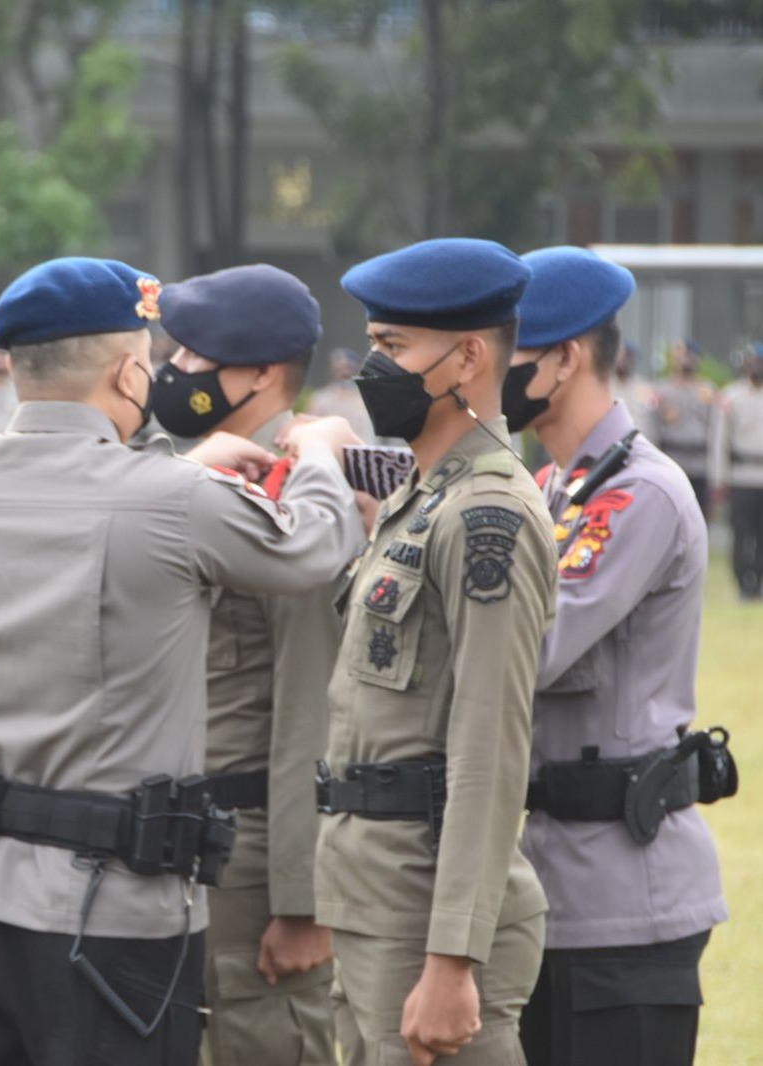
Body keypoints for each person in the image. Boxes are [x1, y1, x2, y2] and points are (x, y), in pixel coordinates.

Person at [0, 256, 366, 1066]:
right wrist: (322, 448)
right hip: (103, 907)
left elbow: (92, 518)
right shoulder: (170, 497)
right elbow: (315, 545)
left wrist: (186, 476)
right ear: (129, 371)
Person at [312, 238, 556, 1066]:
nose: (370, 370)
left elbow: (490, 747)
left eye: (393, 348)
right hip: (374, 893)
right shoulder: (424, 496)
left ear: (469, 356)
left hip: (426, 913)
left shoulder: (488, 514)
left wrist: (454, 957)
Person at [504, 246, 729, 1066]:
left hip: (625, 896)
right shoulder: (558, 487)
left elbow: (529, 652)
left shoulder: (636, 494)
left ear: (563, 358)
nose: (485, 368)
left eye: (505, 350)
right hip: (551, 880)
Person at [151, 263, 356, 1066]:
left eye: (195, 357)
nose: (174, 370)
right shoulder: (199, 467)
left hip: (248, 855)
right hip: (174, 837)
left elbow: (314, 690)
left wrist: (304, 899)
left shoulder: (289, 488)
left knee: (260, 1038)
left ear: (262, 375)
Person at [710, 343, 763, 600]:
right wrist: (719, 478)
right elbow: (720, 441)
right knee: (742, 534)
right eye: (754, 361)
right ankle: (743, 582)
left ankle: (760, 583)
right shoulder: (732, 397)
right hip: (742, 476)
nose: (757, 366)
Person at [651, 338, 716, 514]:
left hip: (699, 464)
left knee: (698, 515)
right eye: (683, 356)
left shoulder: (707, 390)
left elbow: (716, 431)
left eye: (691, 356)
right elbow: (654, 427)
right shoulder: (663, 390)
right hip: (672, 459)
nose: (687, 360)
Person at [307, 347, 378, 443]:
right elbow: (311, 428)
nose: (344, 373)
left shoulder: (365, 399)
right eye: (339, 369)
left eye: (348, 369)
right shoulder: (320, 399)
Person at [608, 340, 659, 440]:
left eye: (628, 357)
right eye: (621, 357)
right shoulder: (606, 387)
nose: (624, 362)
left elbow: (651, 422)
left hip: (637, 445)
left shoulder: (644, 389)